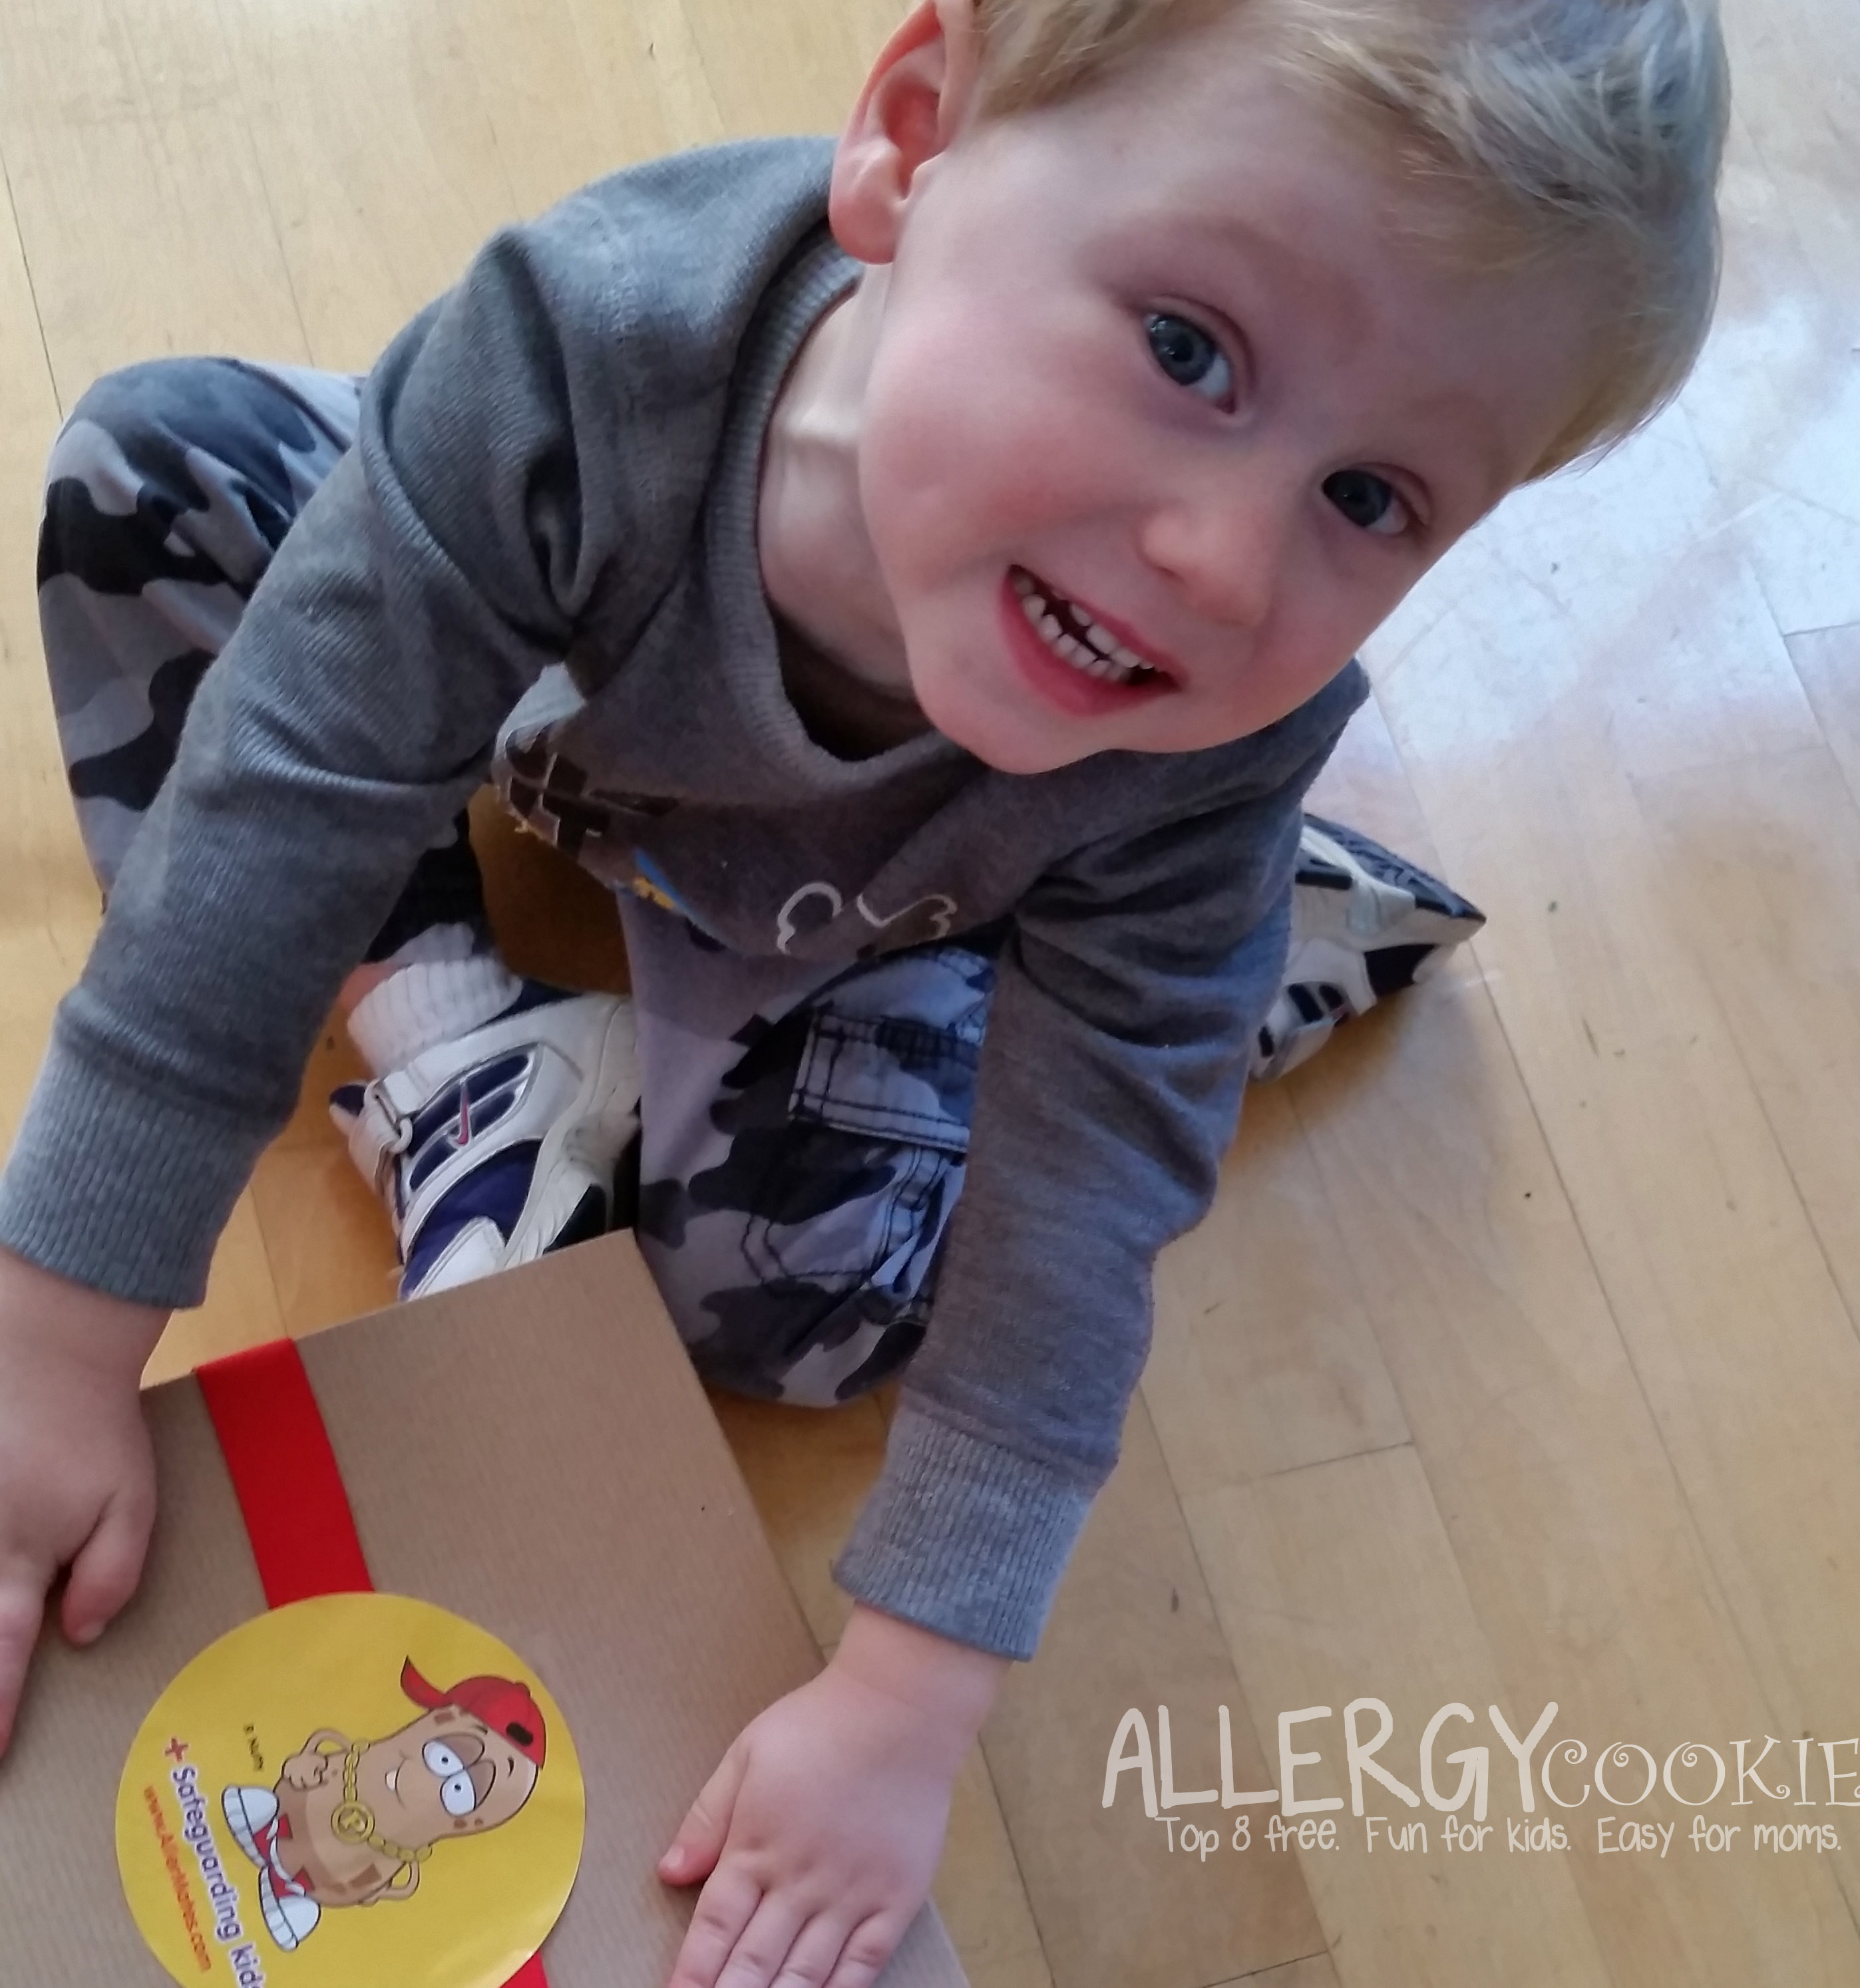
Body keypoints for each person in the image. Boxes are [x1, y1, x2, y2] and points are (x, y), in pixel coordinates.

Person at [0, 0, 1727, 1981]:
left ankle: (1221, 947)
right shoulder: (584, 349)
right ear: (913, 136)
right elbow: (282, 796)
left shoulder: (1209, 724)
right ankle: (466, 1050)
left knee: (795, 1310)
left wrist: (911, 1696)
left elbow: (1080, 1203)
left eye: (1372, 499)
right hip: (559, 699)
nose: (1223, 564)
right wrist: (51, 1330)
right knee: (152, 468)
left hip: (890, 910)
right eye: (1186, 351)